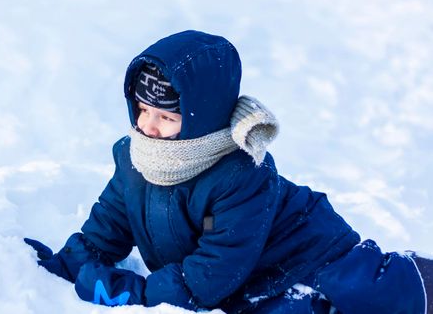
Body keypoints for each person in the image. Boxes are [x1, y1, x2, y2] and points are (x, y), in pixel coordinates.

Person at [25, 30, 431, 313]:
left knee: (370, 291)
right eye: (142, 110)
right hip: (245, 280)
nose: (148, 126)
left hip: (304, 250)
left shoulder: (240, 174)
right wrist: (67, 266)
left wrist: (138, 293)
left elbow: (209, 275)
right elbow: (108, 226)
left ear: (203, 116)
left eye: (165, 116)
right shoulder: (135, 159)